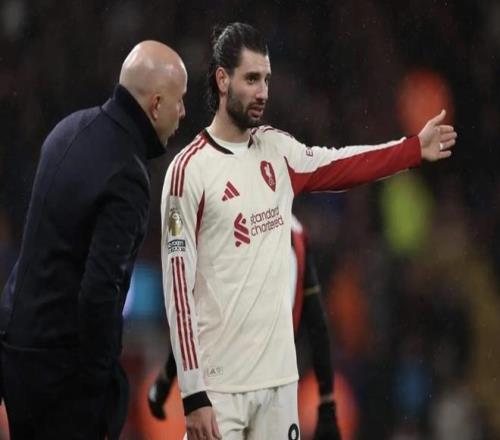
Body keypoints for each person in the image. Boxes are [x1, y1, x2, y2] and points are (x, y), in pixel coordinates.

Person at [160, 22, 456, 440]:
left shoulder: (277, 151)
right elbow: (177, 287)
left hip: (279, 384)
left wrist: (411, 149)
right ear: (222, 80)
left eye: (266, 80)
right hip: (219, 388)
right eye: (251, 79)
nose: (262, 92)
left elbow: (341, 164)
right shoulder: (188, 172)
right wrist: (192, 392)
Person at [0, 41, 187, 439]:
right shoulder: (128, 173)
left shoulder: (68, 128)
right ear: (156, 105)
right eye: (180, 100)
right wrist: (98, 389)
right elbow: (100, 292)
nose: (183, 112)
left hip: (17, 351)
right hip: (61, 378)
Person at [149, 215, 342, 439]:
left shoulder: (236, 224)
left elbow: (203, 317)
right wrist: (327, 403)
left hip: (230, 383)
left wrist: (166, 378)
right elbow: (317, 324)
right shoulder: (297, 235)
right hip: (276, 389)